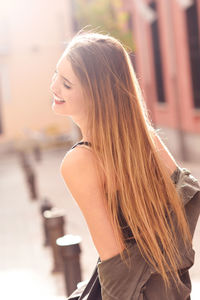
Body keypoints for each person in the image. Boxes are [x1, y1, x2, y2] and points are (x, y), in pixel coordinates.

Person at [50, 30, 200, 299]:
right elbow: (188, 199)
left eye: (67, 83)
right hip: (172, 290)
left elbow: (117, 268)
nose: (54, 87)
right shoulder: (148, 140)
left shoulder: (80, 161)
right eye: (56, 74)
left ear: (97, 94)